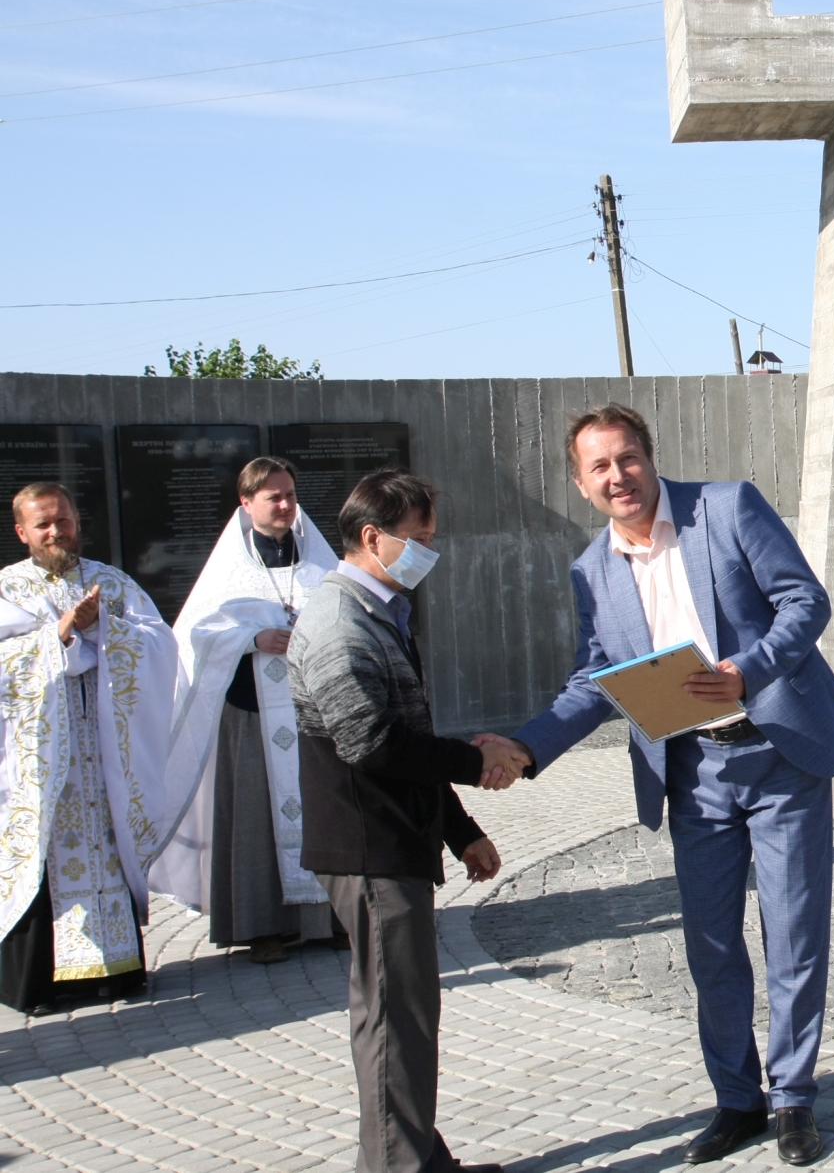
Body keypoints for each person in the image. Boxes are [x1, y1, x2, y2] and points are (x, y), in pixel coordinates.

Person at [472, 404, 834, 1166]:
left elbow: (805, 601)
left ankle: (793, 1098)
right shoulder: (593, 569)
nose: (617, 476)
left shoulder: (728, 507)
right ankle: (737, 1100)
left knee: (792, 935)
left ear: (650, 458)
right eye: (599, 467)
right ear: (581, 484)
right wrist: (525, 747)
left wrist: (747, 669)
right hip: (691, 772)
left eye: (628, 458)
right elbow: (594, 682)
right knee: (710, 945)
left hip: (778, 757)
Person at [289, 470, 523, 1173]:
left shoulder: (378, 611)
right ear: (372, 537)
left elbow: (406, 735)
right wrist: (476, 760)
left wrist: (461, 831)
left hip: (392, 839)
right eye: (418, 539)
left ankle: (417, 1157)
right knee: (395, 1020)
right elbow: (372, 743)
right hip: (369, 846)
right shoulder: (339, 623)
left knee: (406, 1017)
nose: (428, 551)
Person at [150, 456, 343, 963]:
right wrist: (253, 638)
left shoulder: (318, 562)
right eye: (273, 497)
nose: (285, 505)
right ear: (246, 503)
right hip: (252, 712)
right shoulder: (229, 570)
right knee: (255, 817)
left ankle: (329, 919)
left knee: (324, 808)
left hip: (311, 710)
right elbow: (197, 635)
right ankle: (263, 928)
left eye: (290, 495)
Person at [0, 483, 175, 1015]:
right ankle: (39, 982)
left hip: (104, 757)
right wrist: (59, 634)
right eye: (43, 524)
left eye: (64, 520)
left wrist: (105, 628)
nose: (56, 532)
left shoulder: (112, 582)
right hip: (42, 759)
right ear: (22, 532)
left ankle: (113, 971)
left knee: (106, 843)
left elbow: (160, 644)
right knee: (41, 851)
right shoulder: (8, 589)